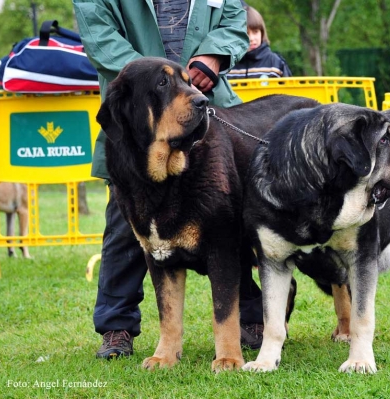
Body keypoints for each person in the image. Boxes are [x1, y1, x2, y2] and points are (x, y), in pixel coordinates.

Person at [72, 0, 266, 359]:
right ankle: (117, 327)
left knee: (227, 228)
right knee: (123, 231)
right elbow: (99, 36)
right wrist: (153, 79)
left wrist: (213, 57)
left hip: (208, 113)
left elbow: (234, 21)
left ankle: (253, 318)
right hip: (138, 124)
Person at [227, 5, 292, 80]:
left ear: (262, 33)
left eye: (255, 32)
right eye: (246, 33)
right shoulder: (227, 66)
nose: (251, 38)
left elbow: (289, 91)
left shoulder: (275, 63)